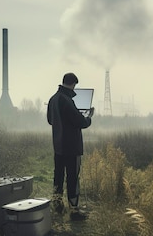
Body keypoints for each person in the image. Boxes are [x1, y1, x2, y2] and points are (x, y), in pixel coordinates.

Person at [47, 72, 94, 221]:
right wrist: (89, 117)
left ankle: (58, 206)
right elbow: (81, 122)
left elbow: (50, 120)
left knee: (58, 177)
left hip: (58, 146)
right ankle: (74, 211)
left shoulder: (53, 99)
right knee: (73, 178)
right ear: (73, 84)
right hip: (72, 147)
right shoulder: (67, 100)